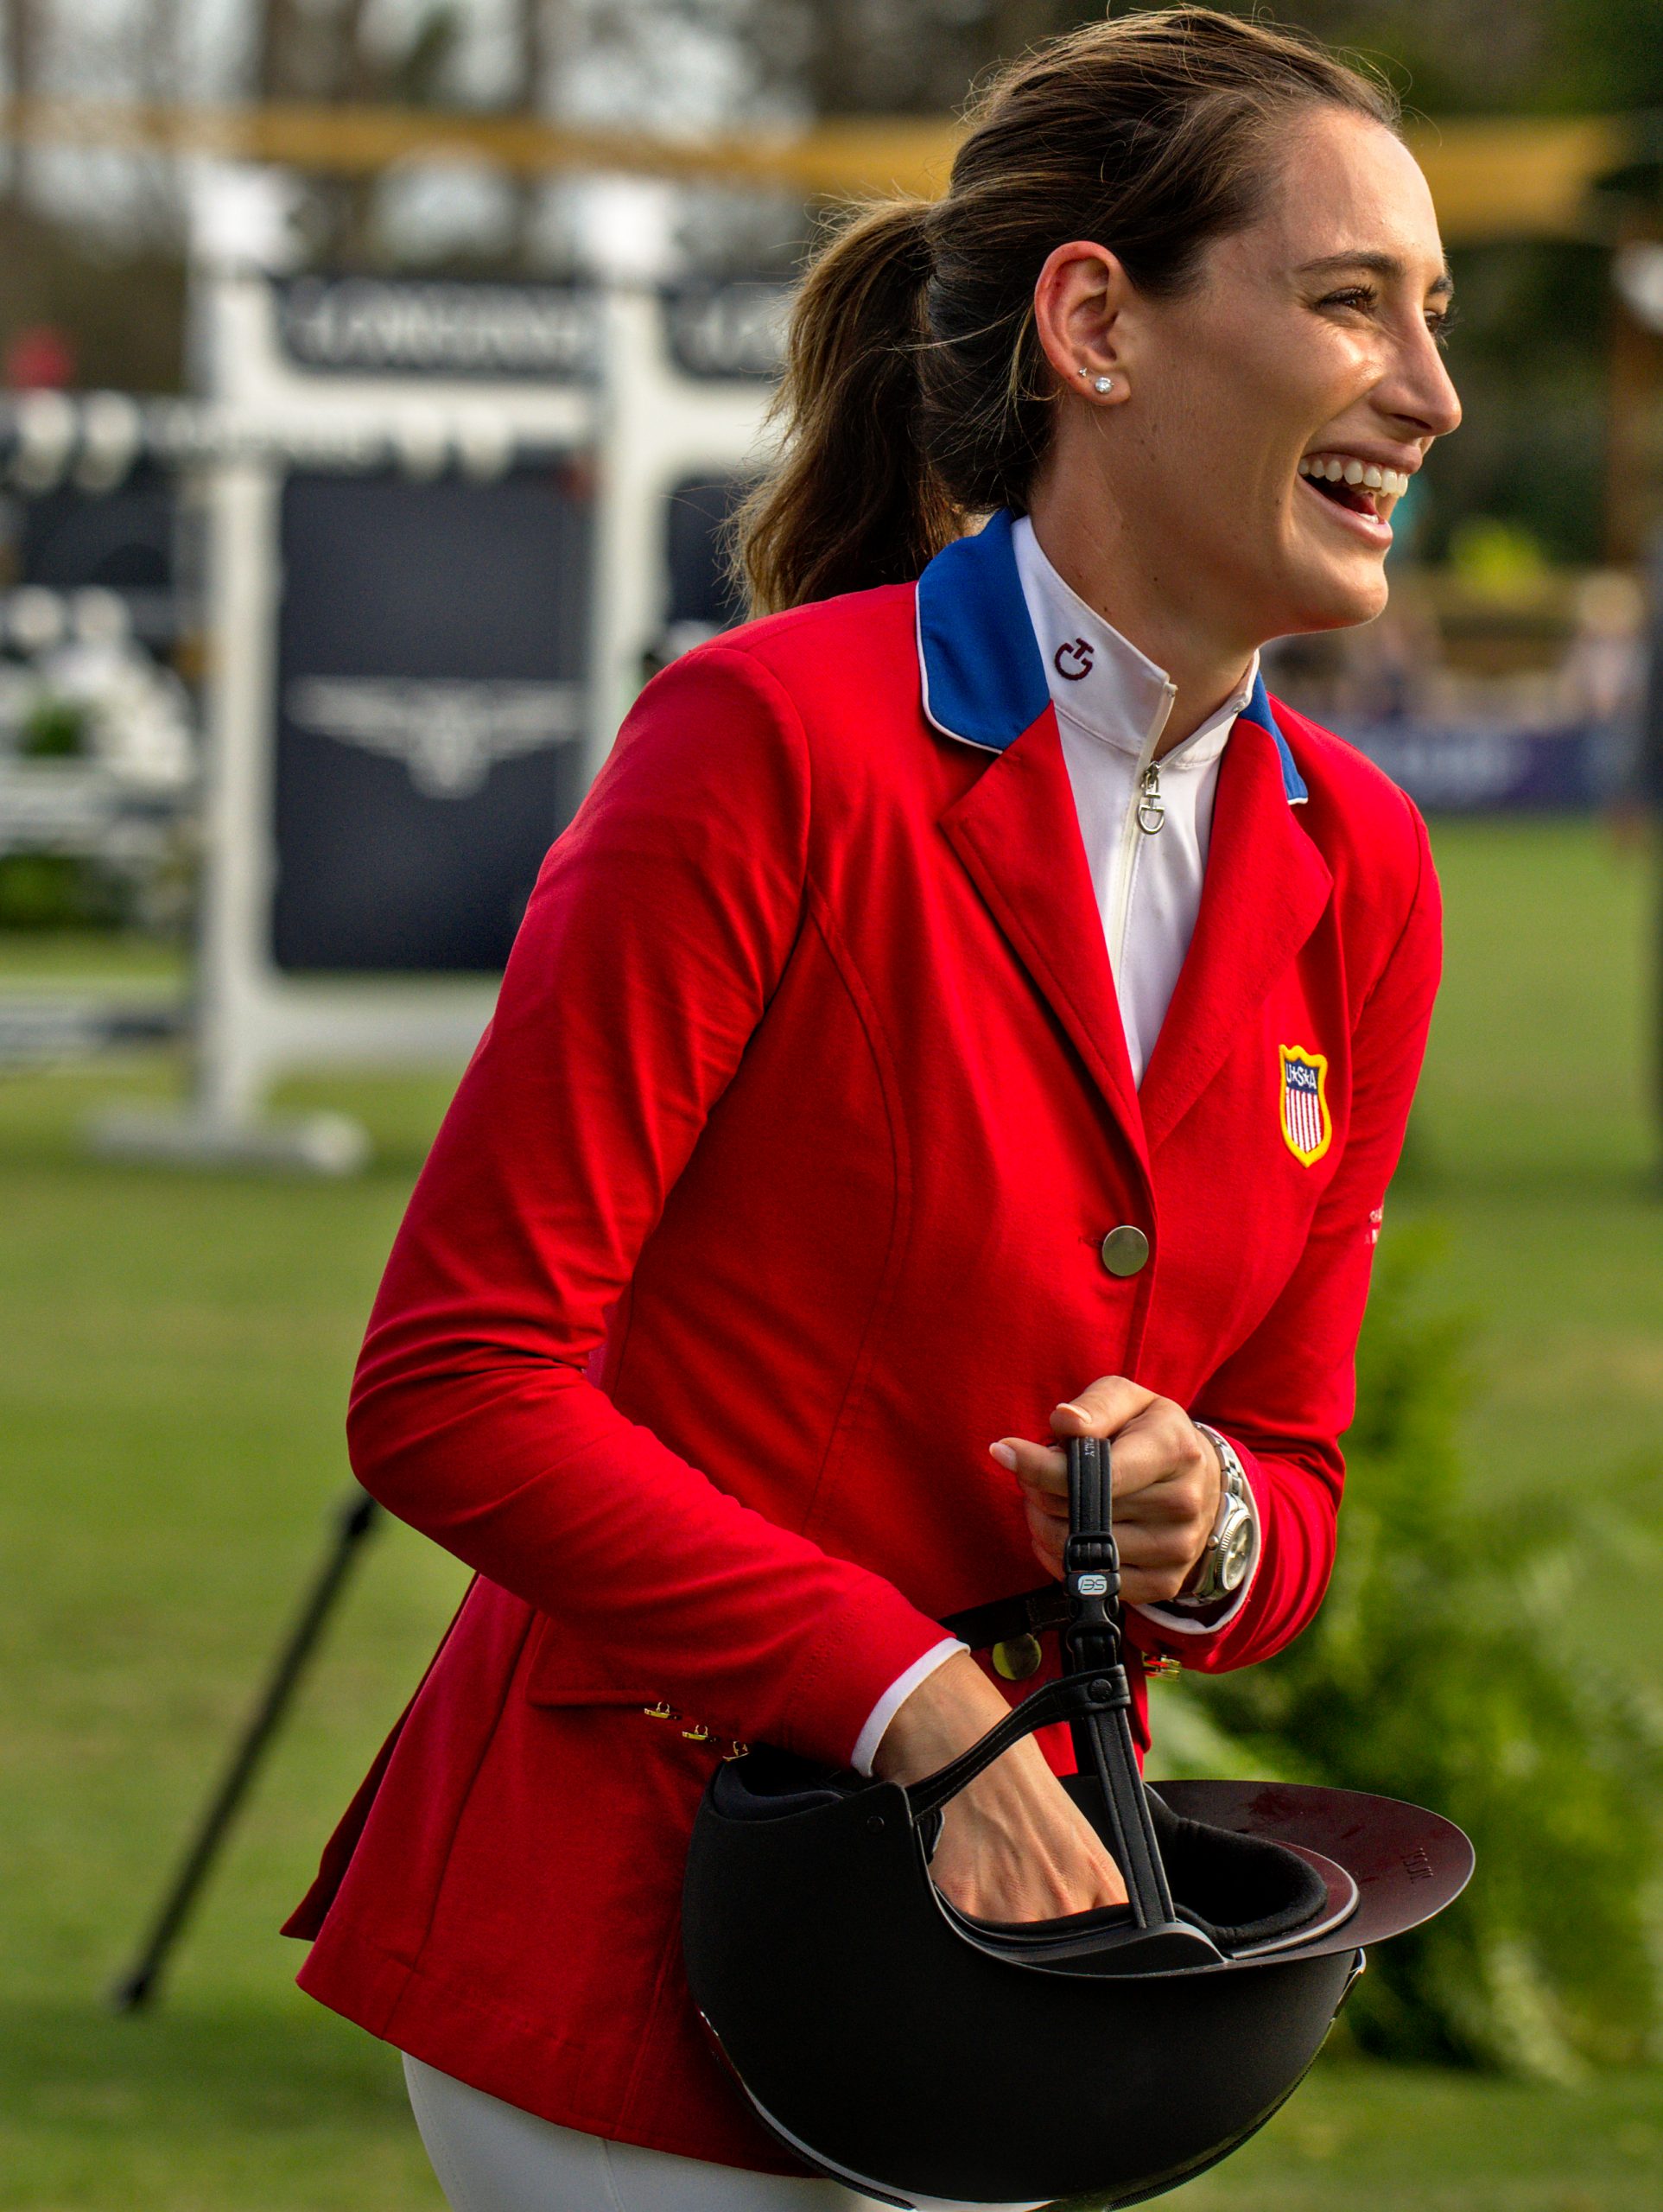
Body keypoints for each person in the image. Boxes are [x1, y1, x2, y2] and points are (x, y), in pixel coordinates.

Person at [283, 11, 1459, 2209]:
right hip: (638, 1939)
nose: (1430, 390)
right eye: (1345, 301)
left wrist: (1198, 1513)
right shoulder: (765, 745)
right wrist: (919, 1696)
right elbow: (454, 1384)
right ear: (1097, 323)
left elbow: (1290, 1489)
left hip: (1021, 1976)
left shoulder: (1364, 866)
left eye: (1433, 315)